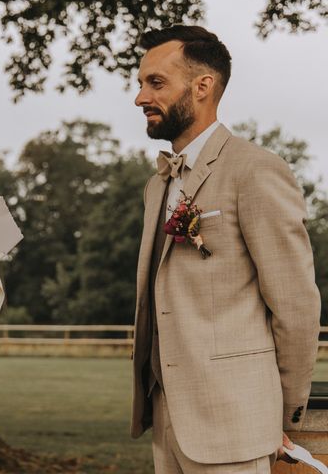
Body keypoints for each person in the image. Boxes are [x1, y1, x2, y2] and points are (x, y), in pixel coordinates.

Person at [130, 25, 321, 472]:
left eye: (155, 83)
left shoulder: (255, 170)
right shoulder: (156, 186)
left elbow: (295, 306)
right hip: (168, 420)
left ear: (202, 86)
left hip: (237, 422)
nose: (140, 97)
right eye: (140, 84)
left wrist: (279, 415)